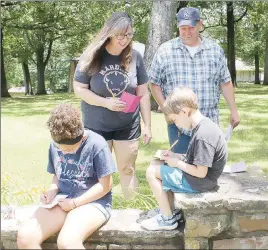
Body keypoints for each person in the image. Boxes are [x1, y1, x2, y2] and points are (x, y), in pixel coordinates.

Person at [73, 12, 151, 199]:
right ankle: (98, 209)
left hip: (127, 126)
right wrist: (105, 102)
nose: (125, 40)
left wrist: (147, 125)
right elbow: (79, 89)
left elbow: (143, 93)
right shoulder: (92, 55)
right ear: (110, 32)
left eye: (129, 35)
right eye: (120, 35)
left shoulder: (135, 57)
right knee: (98, 172)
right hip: (97, 126)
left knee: (127, 168)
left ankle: (131, 206)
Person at [17, 103, 117, 249]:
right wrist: (52, 190)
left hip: (94, 202)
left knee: (67, 243)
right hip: (63, 200)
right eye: (60, 149)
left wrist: (75, 203)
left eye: (70, 149)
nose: (64, 153)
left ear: (82, 138)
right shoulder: (55, 144)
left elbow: (105, 185)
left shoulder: (97, 144)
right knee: (25, 237)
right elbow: (58, 175)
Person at [148, 7, 240, 154]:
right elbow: (154, 83)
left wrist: (234, 111)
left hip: (208, 122)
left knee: (207, 170)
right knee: (181, 168)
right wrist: (165, 107)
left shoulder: (214, 50)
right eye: (183, 28)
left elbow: (225, 82)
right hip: (178, 125)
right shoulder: (165, 50)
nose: (187, 32)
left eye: (191, 27)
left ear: (200, 25)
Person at [140, 87, 228, 231]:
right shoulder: (201, 126)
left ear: (185, 111)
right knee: (157, 162)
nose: (175, 124)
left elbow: (201, 172)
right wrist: (175, 156)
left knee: (151, 172)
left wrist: (178, 163)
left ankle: (168, 219)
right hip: (199, 179)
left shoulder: (203, 135)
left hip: (200, 182)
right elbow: (197, 158)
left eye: (175, 119)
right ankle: (170, 211)